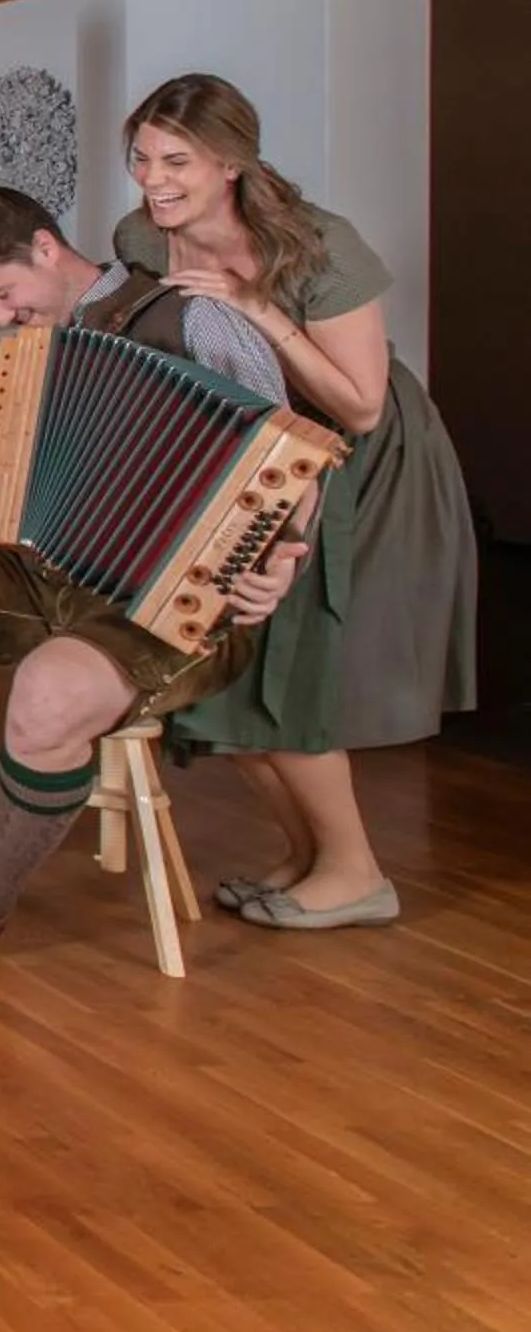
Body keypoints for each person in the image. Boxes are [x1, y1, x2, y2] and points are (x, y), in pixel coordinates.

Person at [0, 182, 301, 969]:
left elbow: (288, 460)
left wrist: (277, 563)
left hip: (175, 604)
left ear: (45, 248)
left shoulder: (192, 319)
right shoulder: (26, 352)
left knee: (48, 687)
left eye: (3, 294)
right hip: (46, 577)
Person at [114, 75, 476, 931]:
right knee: (233, 661)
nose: (154, 179)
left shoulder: (319, 245)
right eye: (142, 158)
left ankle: (355, 872)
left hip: (362, 457)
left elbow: (361, 405)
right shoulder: (142, 236)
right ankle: (306, 854)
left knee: (299, 660)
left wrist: (256, 309)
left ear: (231, 163)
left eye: (176, 161)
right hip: (255, 451)